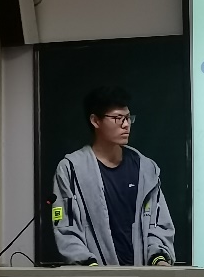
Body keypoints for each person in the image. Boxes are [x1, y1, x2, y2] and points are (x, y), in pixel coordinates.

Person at [52, 86, 176, 267]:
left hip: (144, 276)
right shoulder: (71, 169)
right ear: (95, 121)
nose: (126, 125)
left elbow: (159, 223)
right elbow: (66, 228)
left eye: (128, 118)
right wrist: (90, 268)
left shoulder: (146, 169)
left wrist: (159, 259)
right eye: (118, 118)